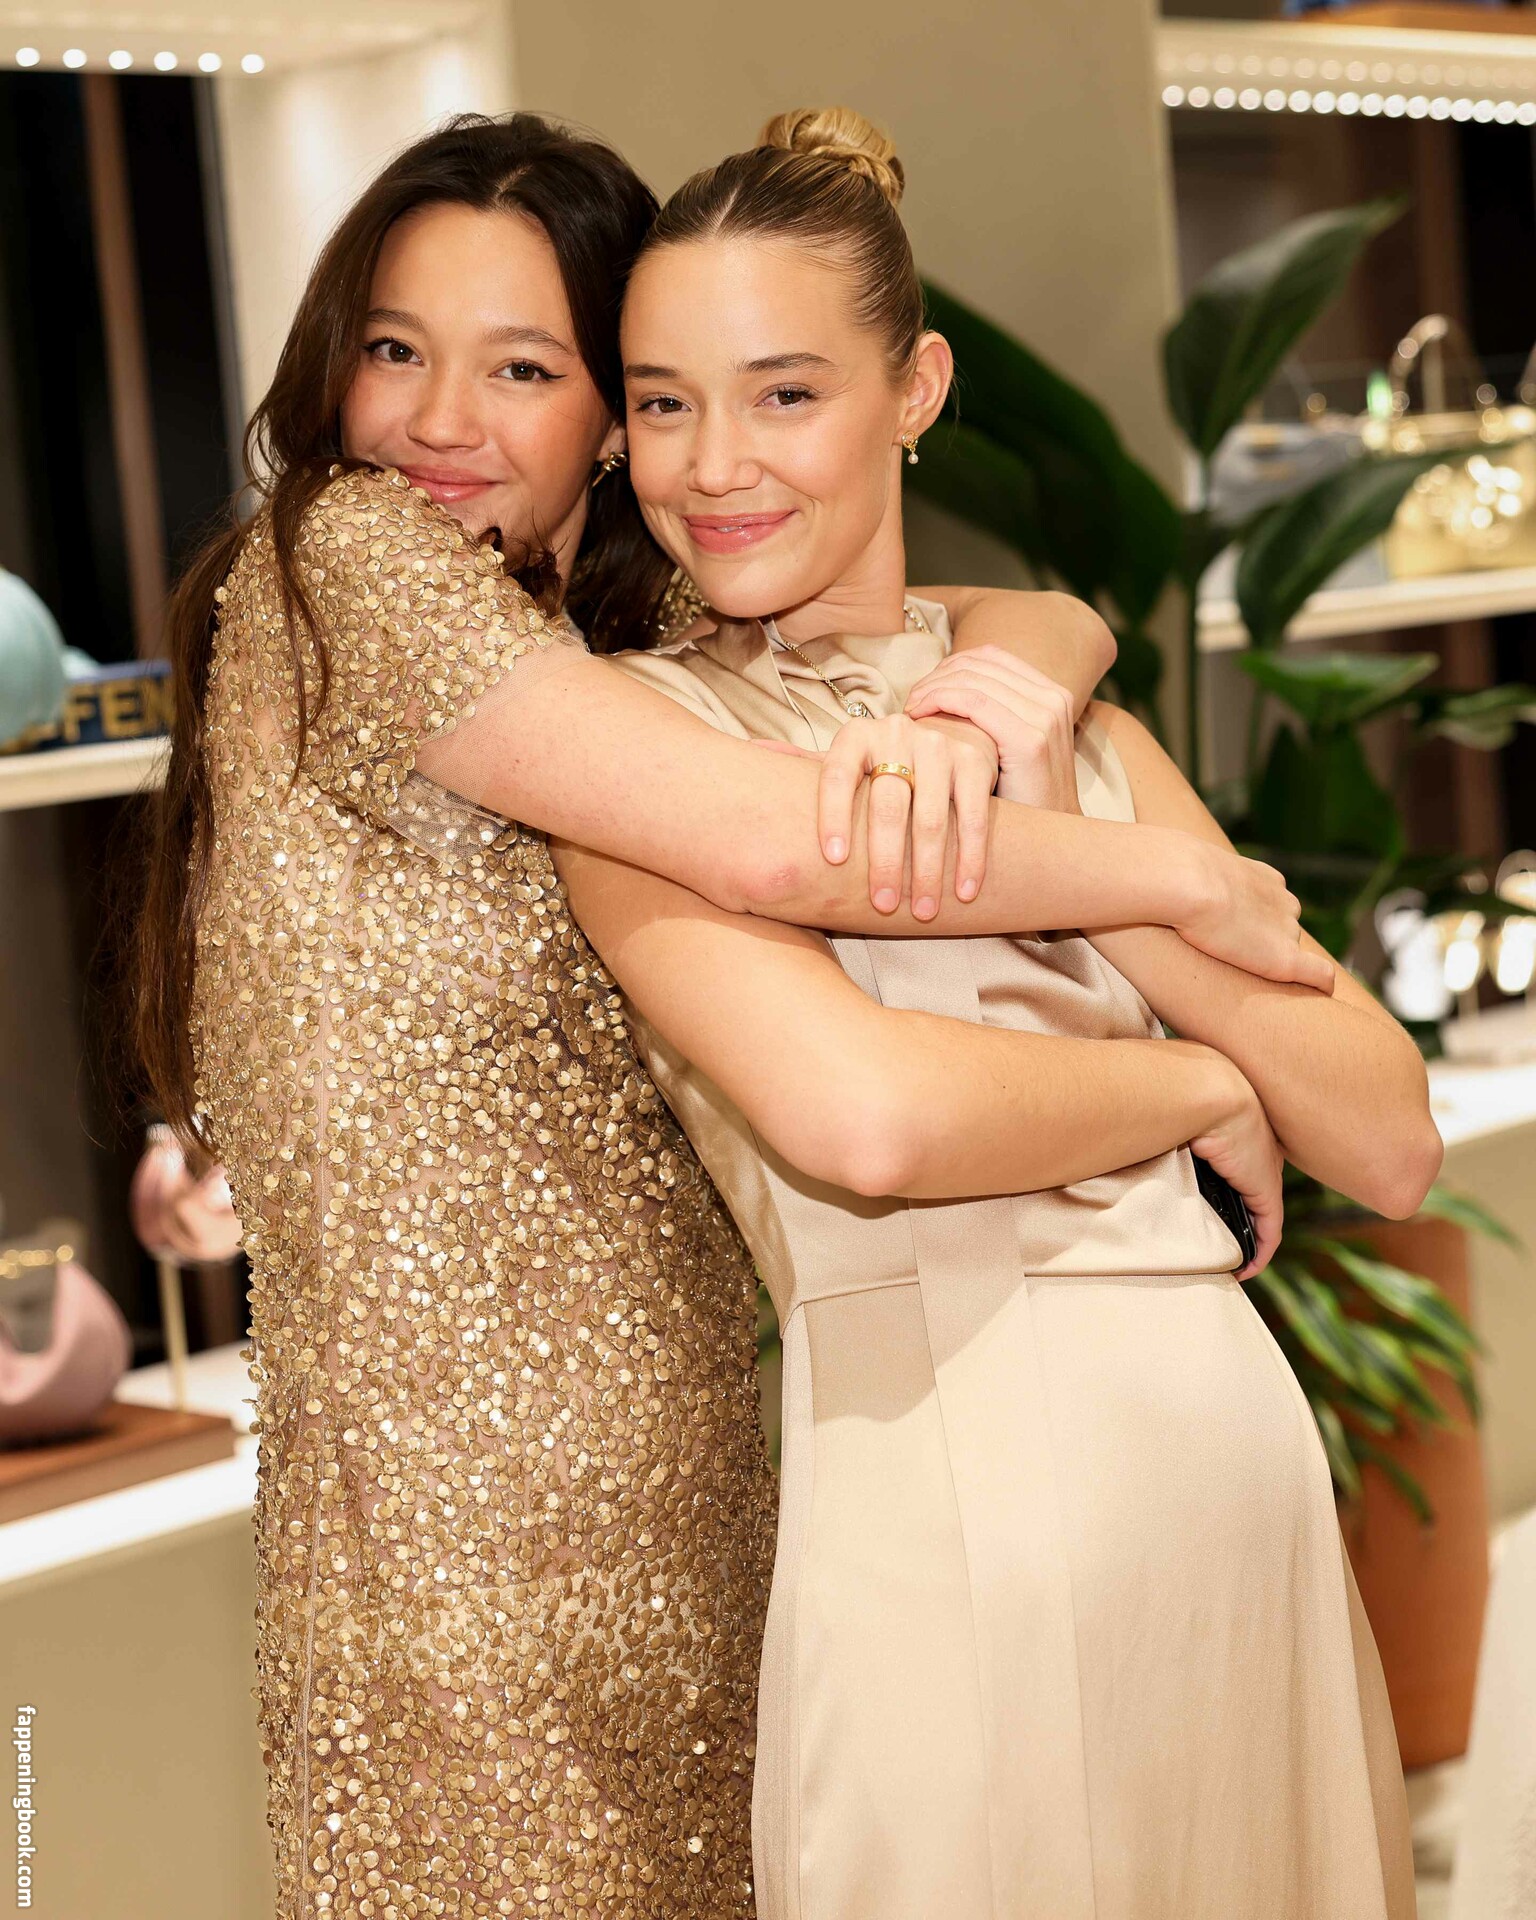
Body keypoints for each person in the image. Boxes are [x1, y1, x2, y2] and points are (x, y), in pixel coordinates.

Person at [133, 113, 1316, 1918]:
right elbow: (785, 840)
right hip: (438, 1561)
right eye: (392, 348)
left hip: (701, 1496)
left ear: (611, 420)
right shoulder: (348, 558)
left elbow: (977, 613)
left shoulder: (622, 637)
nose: (438, 420)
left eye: (521, 367)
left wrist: (1040, 655)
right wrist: (1177, 904)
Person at [553, 107, 1444, 1920]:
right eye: (661, 403)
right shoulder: (644, 757)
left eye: (784, 394)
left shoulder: (1062, 716)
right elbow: (869, 1124)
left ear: (917, 389)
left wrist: (1077, 815)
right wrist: (1194, 1080)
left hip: (1229, 1488)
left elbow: (1387, 1138)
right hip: (945, 1507)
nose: (714, 465)